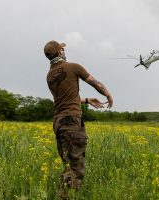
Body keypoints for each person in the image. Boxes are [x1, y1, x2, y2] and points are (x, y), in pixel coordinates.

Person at [43, 40, 113, 197]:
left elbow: (66, 98)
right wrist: (107, 94)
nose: (64, 51)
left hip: (59, 122)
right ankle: (63, 196)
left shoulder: (49, 76)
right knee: (76, 169)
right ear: (60, 52)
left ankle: (62, 195)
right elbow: (95, 83)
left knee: (69, 166)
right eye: (62, 49)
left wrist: (87, 101)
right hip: (71, 122)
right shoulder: (73, 67)